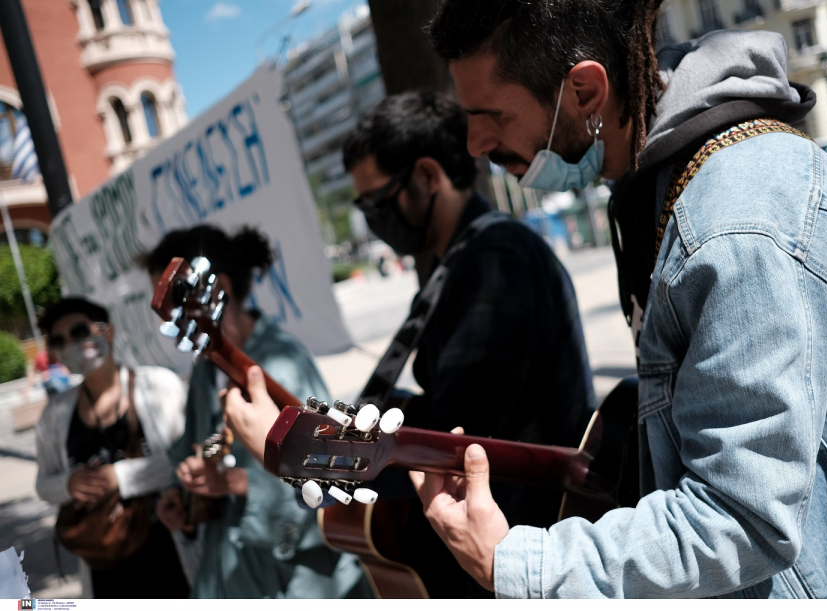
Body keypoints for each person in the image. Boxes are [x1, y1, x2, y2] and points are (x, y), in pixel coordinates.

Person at [411, 0, 827, 599]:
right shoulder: (659, 184)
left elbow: (742, 519)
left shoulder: (739, 218)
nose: (474, 142)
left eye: (490, 115)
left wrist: (516, 563)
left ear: (585, 91)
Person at [224, 90, 596, 597]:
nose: (373, 219)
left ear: (426, 176)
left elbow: (455, 443)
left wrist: (291, 448)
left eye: (377, 203)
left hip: (518, 559)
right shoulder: (460, 263)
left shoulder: (497, 261)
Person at [141, 225, 365, 599]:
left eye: (174, 301)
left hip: (294, 583)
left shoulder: (284, 362)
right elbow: (194, 450)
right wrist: (183, 498)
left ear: (217, 288)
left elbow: (336, 480)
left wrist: (237, 483)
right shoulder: (205, 371)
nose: (169, 319)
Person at [34, 297, 189, 598]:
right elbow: (43, 484)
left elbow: (185, 462)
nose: (71, 344)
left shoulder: (159, 386)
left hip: (172, 561)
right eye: (58, 341)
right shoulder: (54, 415)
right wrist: (68, 484)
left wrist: (118, 477)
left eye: (80, 332)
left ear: (108, 331)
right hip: (105, 571)